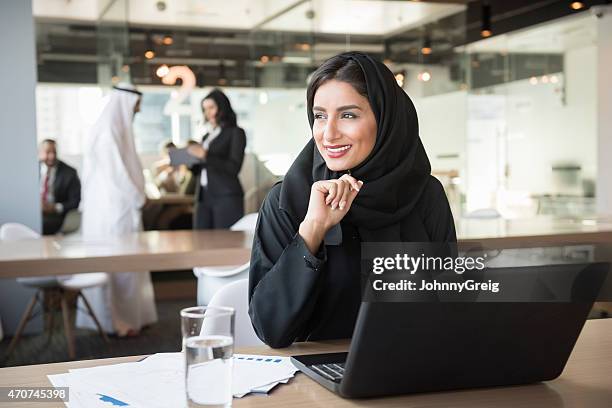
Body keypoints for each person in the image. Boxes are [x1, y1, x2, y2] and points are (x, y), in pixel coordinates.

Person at [248, 52, 457, 348]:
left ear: (385, 120)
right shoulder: (287, 199)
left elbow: (446, 305)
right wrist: (313, 229)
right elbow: (271, 329)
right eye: (320, 116)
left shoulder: (424, 195)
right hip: (314, 379)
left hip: (412, 367)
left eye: (348, 115)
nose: (328, 134)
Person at [78, 84, 157, 336]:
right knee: (119, 265)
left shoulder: (116, 127)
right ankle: (117, 322)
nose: (138, 110)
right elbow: (117, 174)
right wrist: (138, 196)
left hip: (119, 208)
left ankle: (131, 317)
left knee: (128, 264)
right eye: (136, 105)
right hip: (112, 210)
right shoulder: (108, 129)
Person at [187, 89, 246, 229]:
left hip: (226, 196)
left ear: (222, 107)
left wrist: (205, 155)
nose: (207, 112)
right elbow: (204, 169)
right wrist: (191, 161)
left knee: (225, 243)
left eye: (211, 107)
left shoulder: (236, 132)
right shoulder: (206, 136)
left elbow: (234, 168)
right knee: (201, 240)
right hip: (203, 196)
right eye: (204, 109)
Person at [38, 139, 81, 235]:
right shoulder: (31, 169)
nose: (52, 156)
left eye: (54, 152)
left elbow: (75, 201)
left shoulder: (70, 173)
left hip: (56, 215)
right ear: (40, 153)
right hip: (35, 212)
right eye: (48, 152)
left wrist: (54, 207)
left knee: (42, 224)